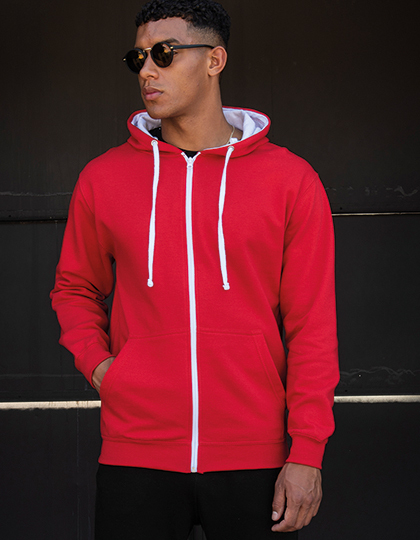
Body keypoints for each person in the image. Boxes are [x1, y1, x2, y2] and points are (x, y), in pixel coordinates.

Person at [51, 0, 339, 538]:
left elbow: (312, 325)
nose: (146, 70)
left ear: (214, 59)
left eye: (164, 53)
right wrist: (103, 368)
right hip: (136, 452)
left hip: (256, 455)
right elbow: (75, 287)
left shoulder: (291, 180)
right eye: (137, 57)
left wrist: (307, 451)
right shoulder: (103, 178)